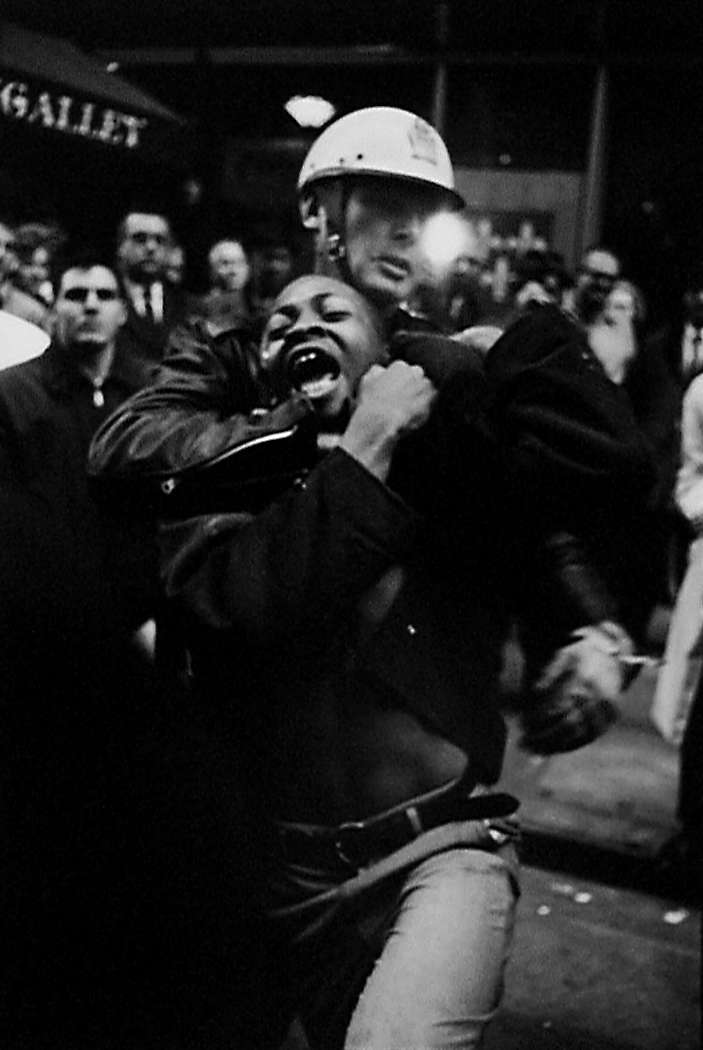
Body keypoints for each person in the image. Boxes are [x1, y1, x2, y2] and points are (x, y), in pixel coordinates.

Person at [89, 107, 654, 1047]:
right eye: (384, 203)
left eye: (421, 212)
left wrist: (587, 627)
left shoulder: (454, 368)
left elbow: (544, 504)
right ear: (323, 212)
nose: (404, 230)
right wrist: (324, 432)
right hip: (260, 841)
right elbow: (130, 448)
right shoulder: (237, 355)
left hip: (429, 827)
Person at [0, 256, 165, 1047]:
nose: (90, 308)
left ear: (124, 309)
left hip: (137, 641)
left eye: (104, 296)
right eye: (76, 296)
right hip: (48, 646)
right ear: (54, 307)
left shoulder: (147, 398)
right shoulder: (17, 397)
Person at [115, 209, 187, 375]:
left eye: (160, 240)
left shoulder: (187, 305)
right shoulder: (105, 299)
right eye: (140, 239)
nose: (151, 247)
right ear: (121, 247)